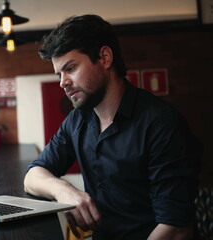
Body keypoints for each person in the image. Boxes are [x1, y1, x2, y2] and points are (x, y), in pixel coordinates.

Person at [23, 14, 202, 240]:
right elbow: (32, 176)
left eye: (71, 68)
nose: (62, 82)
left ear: (105, 58)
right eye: (59, 74)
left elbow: (176, 229)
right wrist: (64, 191)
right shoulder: (77, 120)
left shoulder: (162, 124)